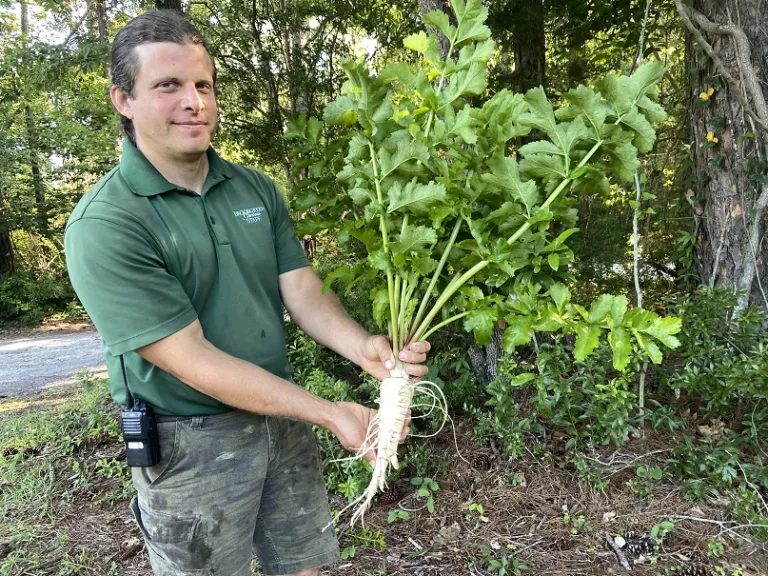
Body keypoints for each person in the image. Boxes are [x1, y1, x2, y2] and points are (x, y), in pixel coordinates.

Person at [64, 10, 430, 576]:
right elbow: (192, 360)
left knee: (306, 566)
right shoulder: (107, 223)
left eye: (203, 84)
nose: (195, 101)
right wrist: (331, 413)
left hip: (279, 414)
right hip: (188, 440)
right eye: (168, 85)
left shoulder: (254, 186)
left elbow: (302, 288)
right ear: (123, 99)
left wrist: (364, 349)